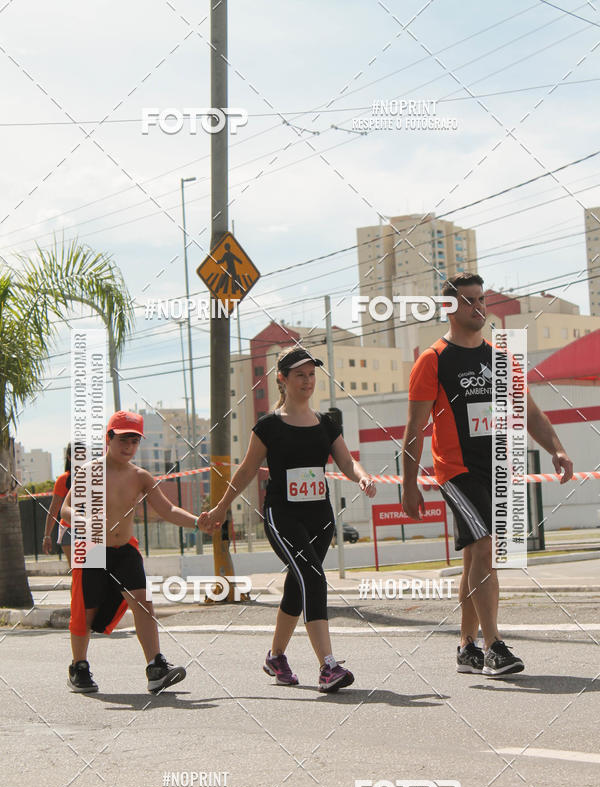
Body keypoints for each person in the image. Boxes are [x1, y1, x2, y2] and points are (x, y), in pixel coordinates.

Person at [402, 272, 573, 677]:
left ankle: (466, 647)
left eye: (482, 300)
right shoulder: (433, 360)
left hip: (497, 469)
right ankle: (494, 645)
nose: (479, 307)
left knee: (473, 560)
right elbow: (414, 430)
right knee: (484, 548)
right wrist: (409, 485)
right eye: (469, 300)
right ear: (449, 307)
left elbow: (529, 412)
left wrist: (558, 448)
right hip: (456, 471)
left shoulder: (502, 358)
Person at [200, 346, 377, 692]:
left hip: (320, 518)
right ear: (282, 379)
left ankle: (275, 657)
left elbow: (346, 461)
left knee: (299, 587)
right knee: (313, 578)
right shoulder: (269, 426)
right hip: (282, 516)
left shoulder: (327, 423)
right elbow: (248, 469)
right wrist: (221, 507)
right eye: (300, 374)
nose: (308, 381)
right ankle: (328, 667)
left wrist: (363, 476)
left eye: (311, 375)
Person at [61, 410, 210, 694]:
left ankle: (155, 666)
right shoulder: (88, 472)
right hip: (93, 550)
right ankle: (79, 667)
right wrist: (83, 520)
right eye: (123, 440)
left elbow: (167, 509)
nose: (128, 447)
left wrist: (196, 522)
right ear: (109, 438)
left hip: (125, 549)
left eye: (134, 442)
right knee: (86, 611)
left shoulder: (140, 477)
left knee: (143, 603)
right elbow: (65, 508)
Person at [42, 443, 72, 567]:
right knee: (77, 571)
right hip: (69, 530)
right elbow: (53, 510)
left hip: (91, 529)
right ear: (69, 457)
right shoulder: (64, 480)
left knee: (93, 573)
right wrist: (47, 535)